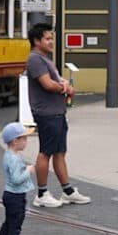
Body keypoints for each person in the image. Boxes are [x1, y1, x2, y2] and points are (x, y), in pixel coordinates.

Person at [25, 22, 90, 207]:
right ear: (37, 41)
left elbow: (57, 80)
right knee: (45, 152)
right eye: (47, 38)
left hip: (57, 112)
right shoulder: (35, 59)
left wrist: (65, 86)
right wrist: (64, 87)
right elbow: (47, 84)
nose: (51, 41)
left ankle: (67, 191)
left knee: (60, 152)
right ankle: (42, 194)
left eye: (51, 38)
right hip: (46, 113)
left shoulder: (46, 59)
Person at [0, 122, 35, 235]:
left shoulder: (9, 155)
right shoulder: (13, 159)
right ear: (15, 141)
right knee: (15, 224)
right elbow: (17, 179)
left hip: (10, 194)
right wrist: (28, 171)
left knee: (8, 223)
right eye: (24, 138)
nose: (26, 141)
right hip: (15, 195)